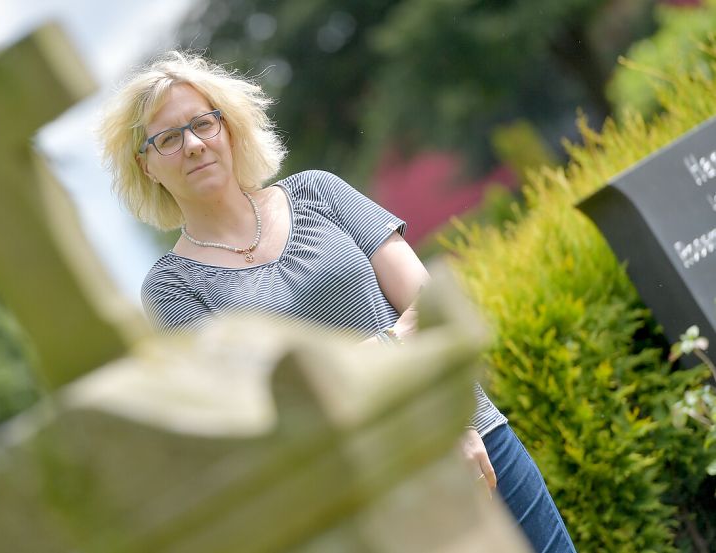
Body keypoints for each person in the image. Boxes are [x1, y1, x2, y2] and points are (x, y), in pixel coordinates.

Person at [98, 50, 576, 552]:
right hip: (374, 498)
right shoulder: (171, 288)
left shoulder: (319, 192)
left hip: (472, 435)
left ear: (229, 127)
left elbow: (426, 301)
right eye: (168, 139)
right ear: (145, 165)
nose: (193, 145)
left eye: (203, 123)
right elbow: (259, 416)